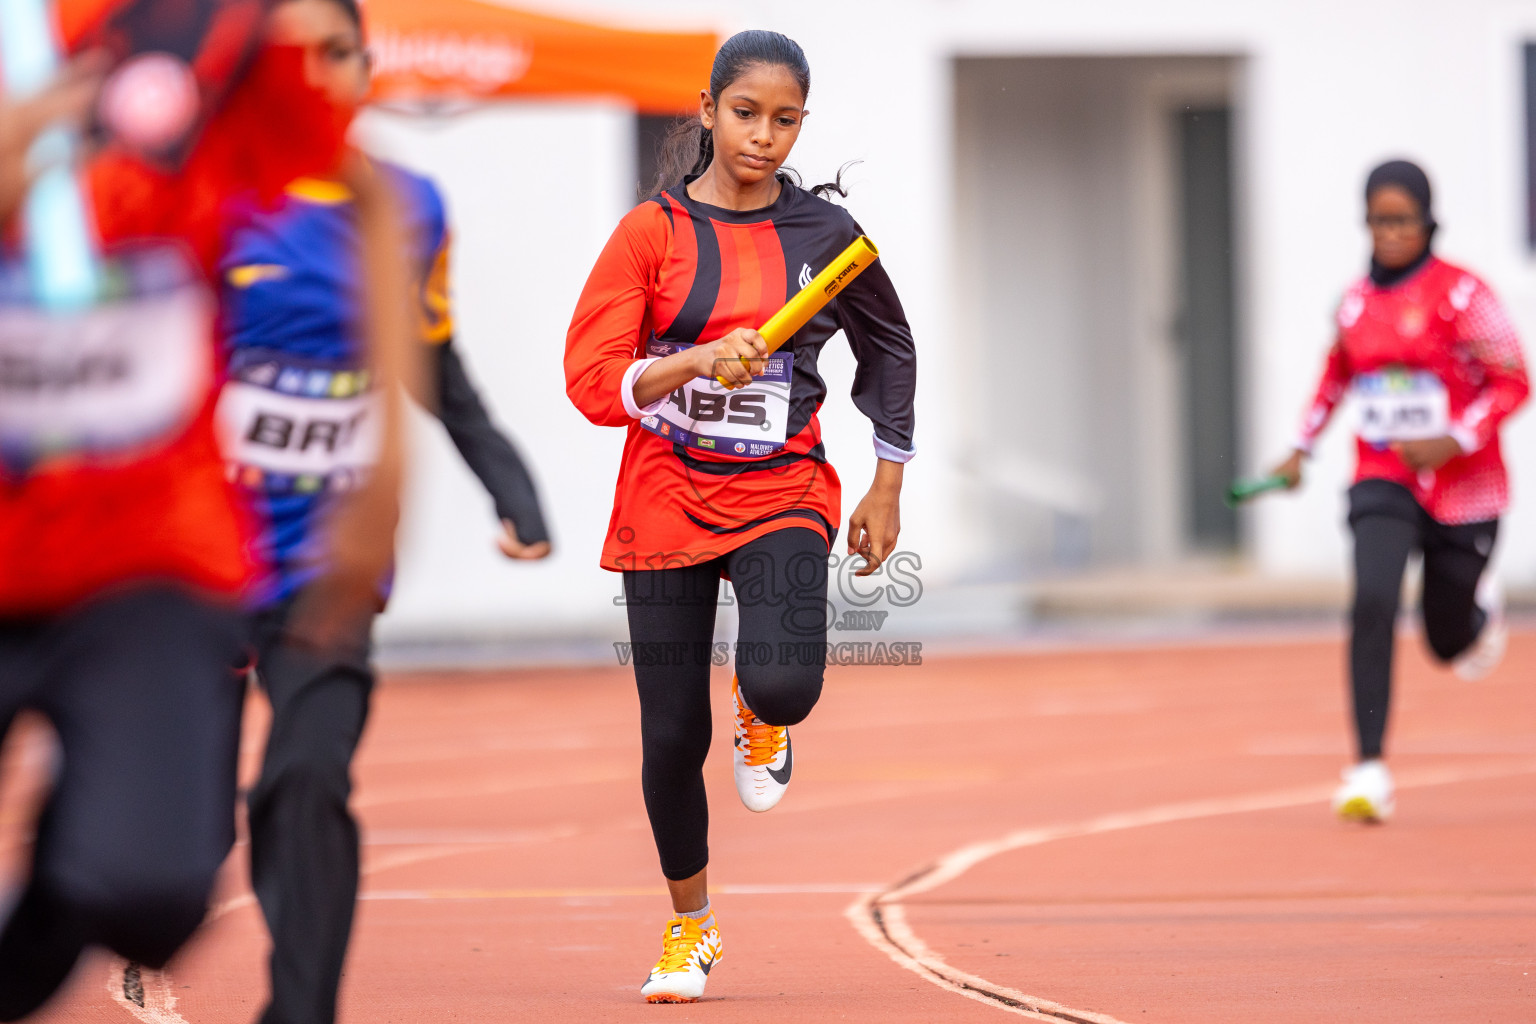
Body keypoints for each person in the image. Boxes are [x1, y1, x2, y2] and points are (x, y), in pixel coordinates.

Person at [0, 2, 400, 1017]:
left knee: (150, 891)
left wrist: (391, 461)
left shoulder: (205, 31)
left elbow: (367, 188)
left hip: (145, 561)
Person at [215, 2, 551, 1022]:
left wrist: (515, 487)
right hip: (197, 563)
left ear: (368, 65)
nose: (317, 73)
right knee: (174, 846)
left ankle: (302, 1012)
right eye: (291, 57)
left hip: (334, 564)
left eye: (337, 51)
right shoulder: (207, 192)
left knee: (307, 781)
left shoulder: (411, 207)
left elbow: (437, 369)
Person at [565, 29, 916, 1003]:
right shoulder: (652, 235)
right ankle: (692, 926)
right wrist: (688, 361)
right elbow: (590, 380)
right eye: (747, 114)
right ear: (709, 110)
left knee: (785, 681)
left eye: (786, 120)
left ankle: (762, 716)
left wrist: (888, 478)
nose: (764, 137)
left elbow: (891, 350)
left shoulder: (831, 246)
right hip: (665, 493)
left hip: (782, 491)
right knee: (669, 738)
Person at [1269, 159, 1528, 823]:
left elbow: (1514, 382)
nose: (1391, 233)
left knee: (1447, 643)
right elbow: (1335, 377)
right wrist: (1301, 447)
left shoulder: (1464, 296)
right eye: (1380, 220)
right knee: (1374, 601)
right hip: (1383, 478)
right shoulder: (1356, 302)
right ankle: (1368, 769)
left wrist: (1455, 439)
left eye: (1403, 220)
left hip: (1464, 489)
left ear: (1427, 220)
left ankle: (1475, 611)